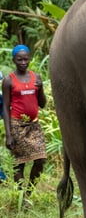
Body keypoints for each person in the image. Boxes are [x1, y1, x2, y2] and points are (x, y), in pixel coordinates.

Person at [2, 44, 47, 196]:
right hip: (17, 125)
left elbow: (42, 104)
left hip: (34, 125)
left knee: (40, 160)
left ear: (29, 59)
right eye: (19, 59)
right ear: (14, 60)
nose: (22, 62)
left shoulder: (37, 78)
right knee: (19, 163)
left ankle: (29, 192)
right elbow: (5, 109)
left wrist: (40, 89)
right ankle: (22, 197)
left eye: (25, 59)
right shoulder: (9, 80)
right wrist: (8, 134)